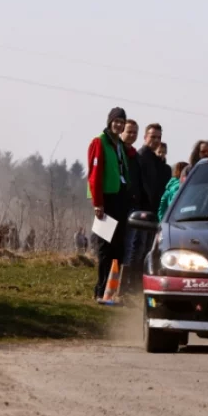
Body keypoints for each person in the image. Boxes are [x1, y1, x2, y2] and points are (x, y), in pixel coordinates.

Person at [87, 107, 131, 302]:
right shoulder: (100, 142)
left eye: (122, 121)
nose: (119, 124)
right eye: (116, 121)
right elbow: (94, 175)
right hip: (106, 199)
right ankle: (100, 289)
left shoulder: (119, 144)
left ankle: (111, 290)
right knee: (105, 247)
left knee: (118, 248)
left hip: (120, 197)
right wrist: (98, 203)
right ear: (110, 122)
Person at [120, 119, 148, 293]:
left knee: (130, 247)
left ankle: (122, 286)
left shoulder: (135, 155)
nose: (132, 135)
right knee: (118, 246)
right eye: (129, 132)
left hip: (133, 206)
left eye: (134, 132)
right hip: (117, 206)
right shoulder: (117, 152)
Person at [138, 123, 170, 222]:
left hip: (152, 211)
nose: (156, 140)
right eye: (153, 137)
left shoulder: (154, 159)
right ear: (145, 137)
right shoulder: (141, 157)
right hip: (143, 211)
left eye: (159, 137)